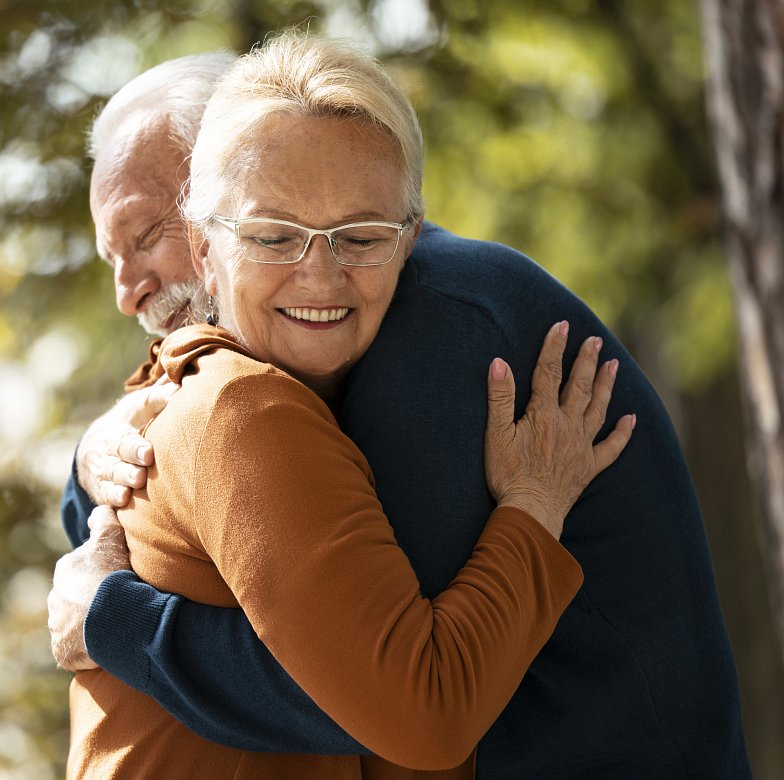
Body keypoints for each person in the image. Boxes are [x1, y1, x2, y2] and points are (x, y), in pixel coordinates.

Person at [52, 42, 752, 780]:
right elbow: (128, 531)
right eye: (274, 237)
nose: (129, 291)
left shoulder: (433, 342)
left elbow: (398, 697)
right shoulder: (259, 371)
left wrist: (116, 624)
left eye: (145, 233)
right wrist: (89, 460)